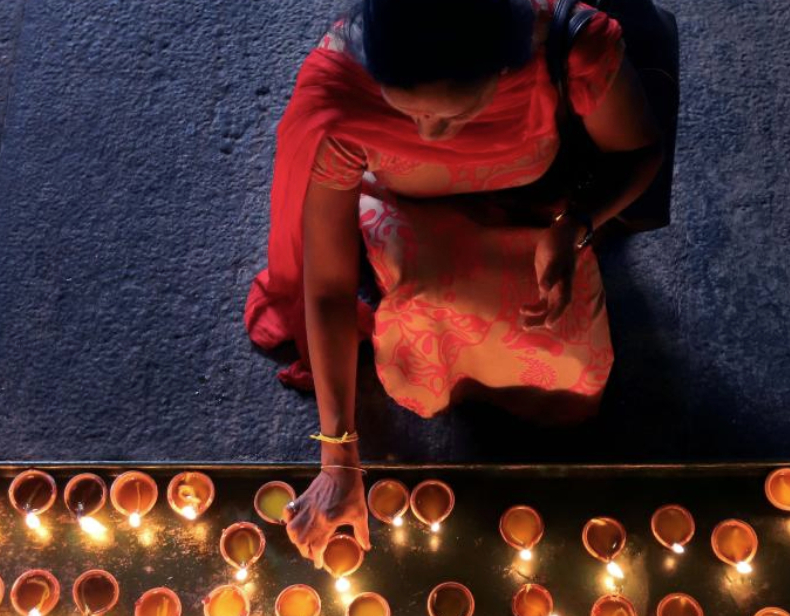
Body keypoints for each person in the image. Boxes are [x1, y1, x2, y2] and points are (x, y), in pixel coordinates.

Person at [244, 0, 664, 563]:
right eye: (407, 112)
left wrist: (576, 227)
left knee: (570, 359)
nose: (430, 134)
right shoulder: (342, 95)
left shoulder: (568, 49)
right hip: (411, 209)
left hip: (538, 206)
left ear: (505, 66)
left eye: (455, 115)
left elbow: (639, 151)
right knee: (429, 314)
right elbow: (327, 286)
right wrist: (338, 458)